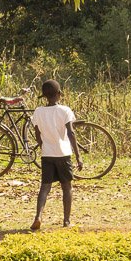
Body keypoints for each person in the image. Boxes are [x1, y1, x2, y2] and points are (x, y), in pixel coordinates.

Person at [31, 79, 76, 230]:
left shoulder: (38, 111)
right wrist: (79, 156)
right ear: (59, 94)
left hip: (47, 154)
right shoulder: (65, 110)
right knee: (67, 187)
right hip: (63, 153)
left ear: (44, 96)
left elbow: (37, 134)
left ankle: (38, 216)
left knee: (45, 187)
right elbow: (71, 133)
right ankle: (66, 221)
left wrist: (43, 146)